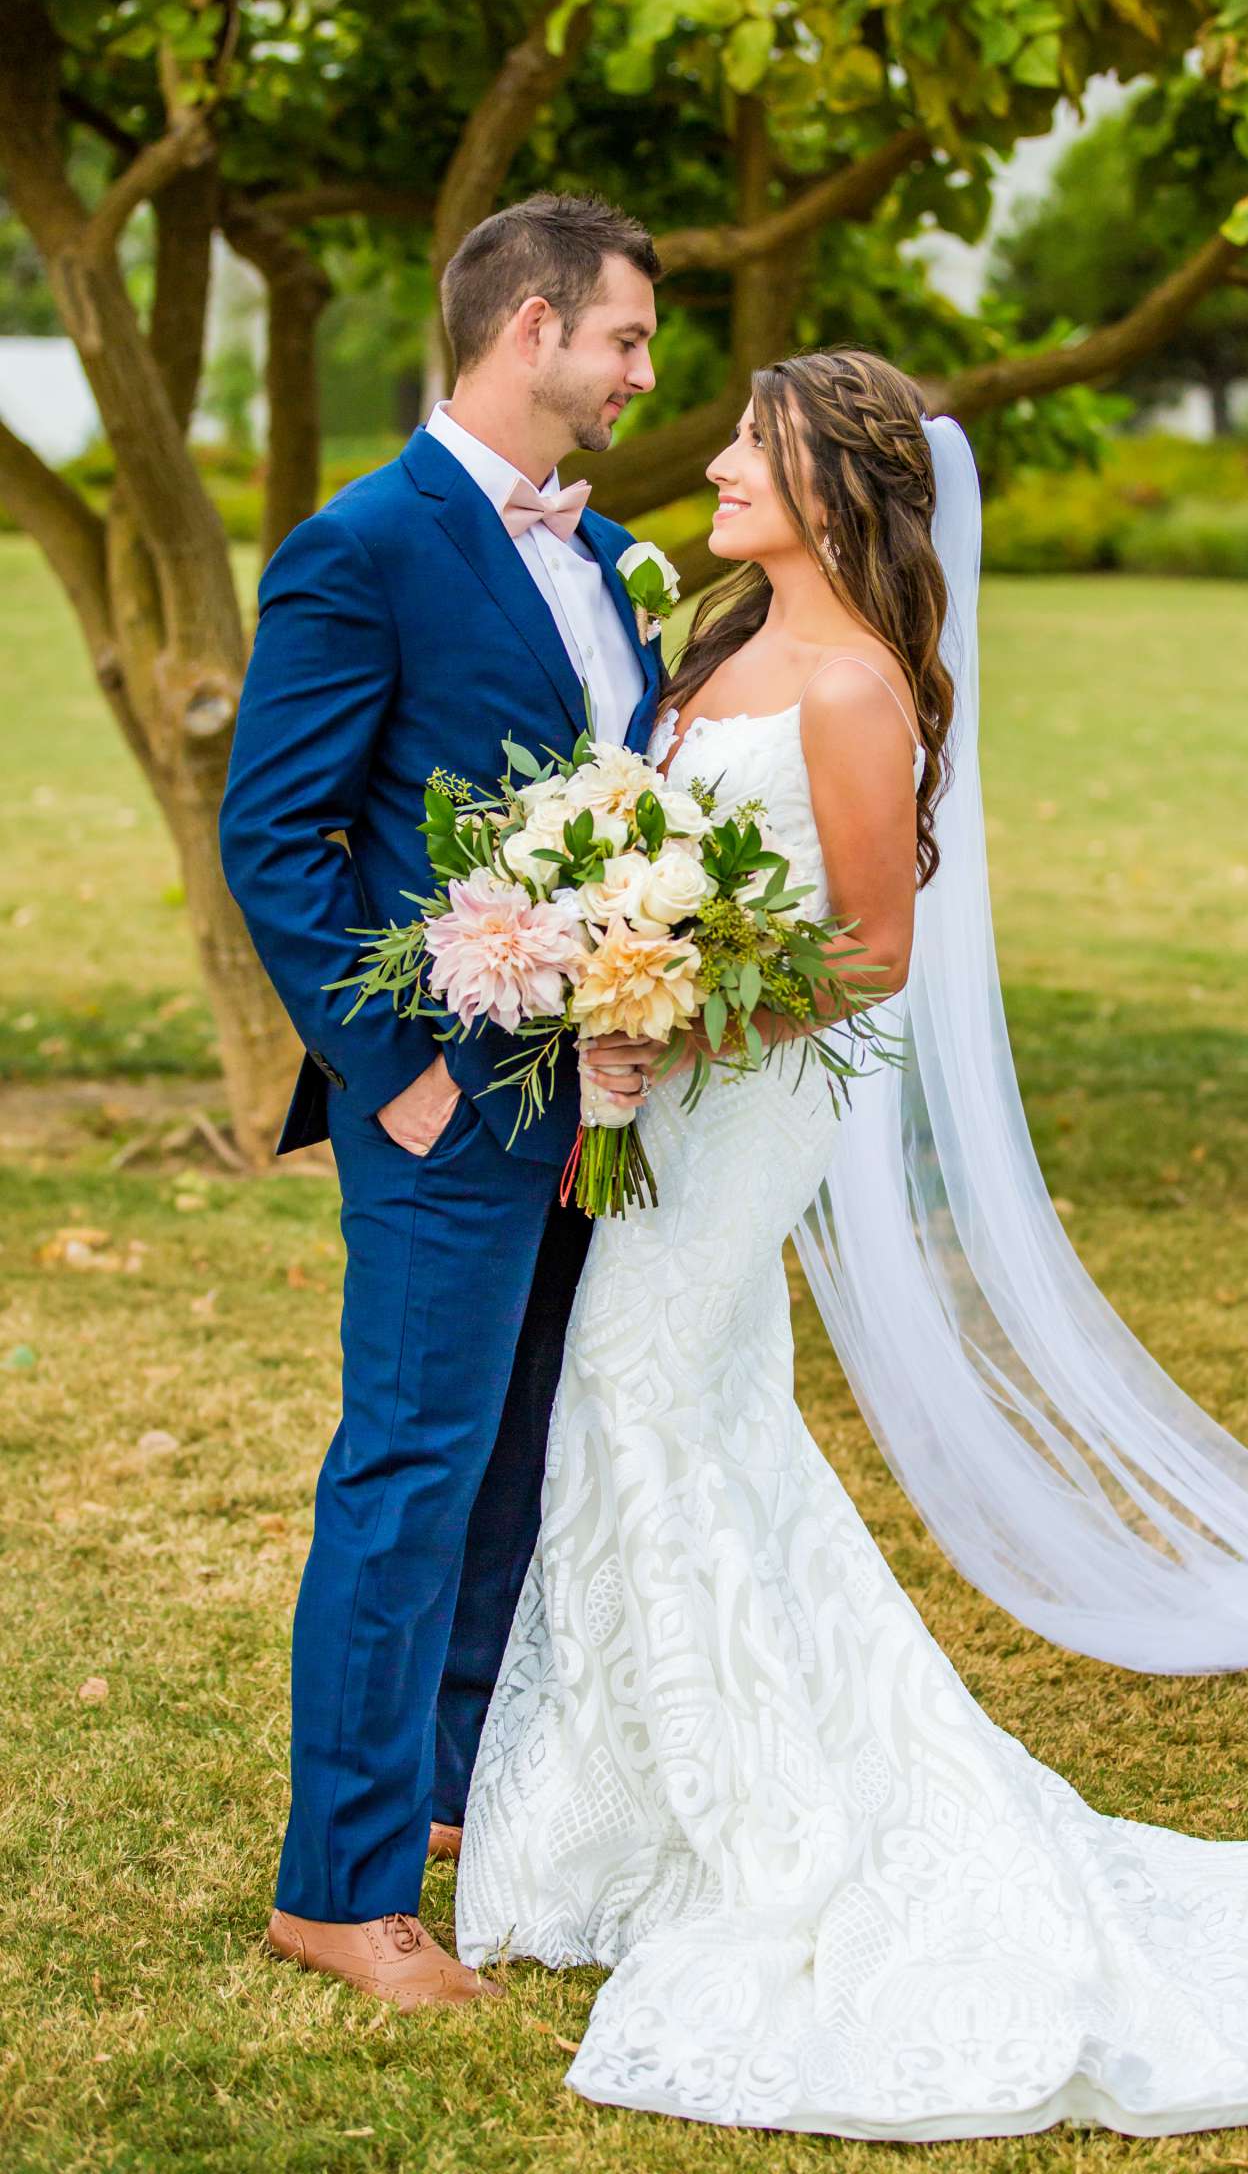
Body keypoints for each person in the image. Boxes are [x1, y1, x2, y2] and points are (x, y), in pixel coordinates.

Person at [455, 350, 1248, 2139]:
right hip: (663, 1083)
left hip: (752, 1096)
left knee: (636, 1395)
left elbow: (874, 950)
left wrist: (679, 1006)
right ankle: (650, 1816)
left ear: (836, 488)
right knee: (698, 1415)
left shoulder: (859, 684)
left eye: (756, 443)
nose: (722, 461)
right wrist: (607, 950)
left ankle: (768, 1835)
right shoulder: (718, 644)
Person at [219, 192, 667, 2007]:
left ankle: (465, 1798)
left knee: (518, 1467)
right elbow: (278, 837)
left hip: (589, 1105)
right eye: (627, 337)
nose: (646, 372)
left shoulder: (612, 552)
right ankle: (337, 1885)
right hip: (442, 1110)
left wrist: (640, 998)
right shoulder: (365, 543)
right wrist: (390, 1075)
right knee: (406, 1471)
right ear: (532, 327)